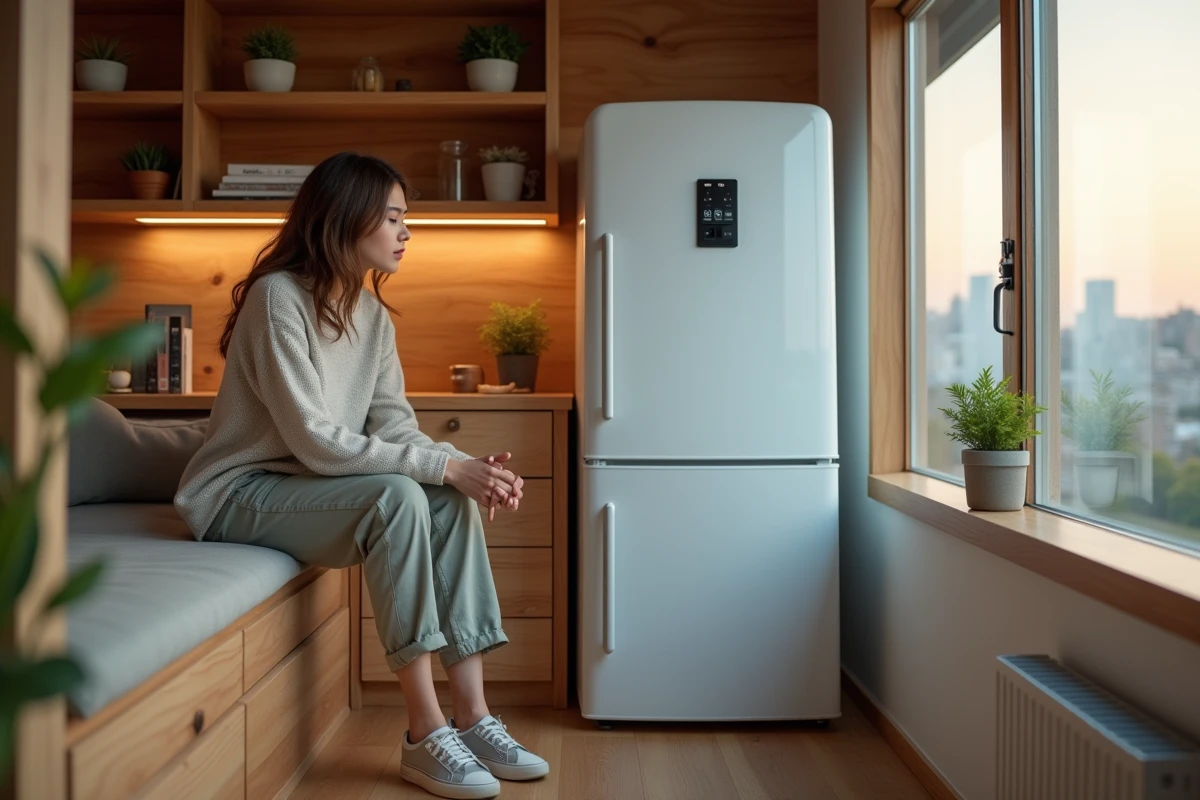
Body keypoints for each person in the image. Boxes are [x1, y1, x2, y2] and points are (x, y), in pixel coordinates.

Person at [174, 151, 549, 799]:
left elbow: (395, 428)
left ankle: (473, 715)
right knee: (400, 496)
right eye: (394, 218)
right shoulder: (277, 299)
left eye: (408, 219)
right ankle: (423, 733)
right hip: (240, 494)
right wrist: (444, 465)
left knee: (445, 502)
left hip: (309, 492)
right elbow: (315, 439)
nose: (407, 233)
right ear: (346, 219)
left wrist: (461, 472)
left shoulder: (371, 318)